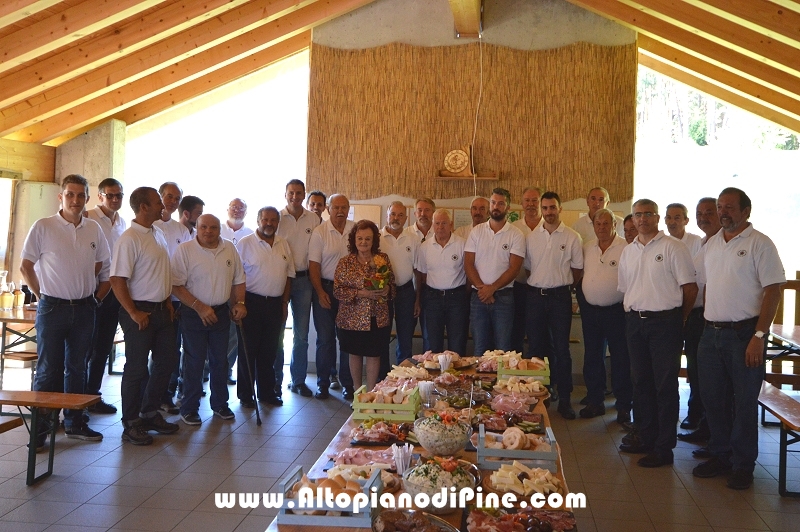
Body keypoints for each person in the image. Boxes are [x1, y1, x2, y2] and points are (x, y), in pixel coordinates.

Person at [692, 188, 785, 490]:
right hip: (711, 333)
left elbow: (774, 290)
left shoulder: (760, 244)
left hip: (746, 335)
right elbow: (706, 286)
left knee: (744, 403)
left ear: (746, 210)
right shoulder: (711, 245)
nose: (722, 212)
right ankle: (721, 454)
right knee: (713, 399)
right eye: (720, 207)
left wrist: (759, 335)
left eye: (729, 207)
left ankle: (743, 465)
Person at [20, 174, 110, 445]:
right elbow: (26, 266)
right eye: (70, 194)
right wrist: (41, 295)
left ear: (87, 199)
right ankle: (41, 429)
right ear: (61, 197)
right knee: (48, 369)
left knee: (78, 368)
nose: (75, 200)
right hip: (52, 308)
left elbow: (105, 268)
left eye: (80, 195)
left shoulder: (94, 228)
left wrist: (95, 298)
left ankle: (75, 423)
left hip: (85, 309)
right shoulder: (44, 226)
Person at [617, 199, 697, 468]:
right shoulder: (629, 251)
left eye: (647, 214)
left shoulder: (673, 247)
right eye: (637, 215)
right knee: (640, 383)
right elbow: (627, 289)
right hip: (635, 322)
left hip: (665, 323)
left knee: (664, 386)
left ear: (657, 217)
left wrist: (679, 319)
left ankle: (664, 447)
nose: (642, 219)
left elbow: (690, 288)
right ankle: (646, 437)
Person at [110, 187, 180, 445]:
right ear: (143, 207)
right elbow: (117, 279)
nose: (163, 204)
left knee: (167, 362)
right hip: (139, 311)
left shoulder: (157, 232)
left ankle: (149, 412)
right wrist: (133, 312)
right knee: (136, 369)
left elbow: (161, 272)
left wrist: (168, 301)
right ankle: (130, 424)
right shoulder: (130, 239)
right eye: (157, 201)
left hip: (162, 310)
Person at [171, 214, 246, 425]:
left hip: (221, 312)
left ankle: (220, 404)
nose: (208, 231)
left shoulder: (230, 249)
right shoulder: (185, 250)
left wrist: (239, 304)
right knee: (194, 361)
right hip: (193, 313)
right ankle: (189, 408)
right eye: (204, 227)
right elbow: (176, 285)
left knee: (220, 361)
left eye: (213, 228)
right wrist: (200, 307)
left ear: (219, 230)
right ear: (197, 227)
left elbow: (238, 280)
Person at [524, 191, 583, 419]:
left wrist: (558, 285)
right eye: (545, 208)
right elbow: (529, 268)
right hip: (536, 297)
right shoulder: (531, 237)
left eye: (552, 208)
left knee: (562, 349)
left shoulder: (572, 237)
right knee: (536, 349)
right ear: (541, 209)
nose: (549, 212)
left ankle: (565, 399)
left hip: (560, 297)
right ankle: (539, 397)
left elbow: (577, 271)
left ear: (560, 209)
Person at [576, 208, 632, 423]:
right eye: (598, 224)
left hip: (617, 312)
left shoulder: (625, 248)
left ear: (614, 225)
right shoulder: (588, 247)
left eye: (606, 224)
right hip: (591, 312)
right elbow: (579, 276)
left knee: (620, 359)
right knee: (592, 357)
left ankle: (624, 405)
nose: (602, 228)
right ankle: (595, 401)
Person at [237, 207, 294, 407]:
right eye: (265, 219)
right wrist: (239, 303)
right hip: (250, 303)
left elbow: (288, 277)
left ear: (278, 222)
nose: (269, 223)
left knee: (270, 350)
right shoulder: (245, 244)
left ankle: (267, 393)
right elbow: (237, 278)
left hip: (275, 304)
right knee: (248, 351)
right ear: (258, 220)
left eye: (273, 220)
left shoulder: (283, 244)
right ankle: (246, 395)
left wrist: (285, 303)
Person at [678, 198, 723, 447]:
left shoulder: (719, 243)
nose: (703, 217)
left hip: (707, 318)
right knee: (700, 375)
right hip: (698, 318)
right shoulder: (707, 243)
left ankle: (713, 435)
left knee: (711, 381)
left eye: (709, 212)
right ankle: (705, 428)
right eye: (700, 213)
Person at [334, 220, 395, 391]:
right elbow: (338, 291)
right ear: (353, 240)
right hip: (352, 318)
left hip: (378, 316)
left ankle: (371, 392)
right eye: (360, 238)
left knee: (374, 354)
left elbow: (392, 285)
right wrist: (361, 293)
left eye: (368, 239)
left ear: (374, 240)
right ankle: (356, 391)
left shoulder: (382, 259)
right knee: (355, 353)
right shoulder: (345, 262)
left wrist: (387, 290)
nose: (363, 243)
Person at [464, 187, 525, 356]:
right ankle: (480, 384)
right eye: (493, 202)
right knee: (480, 349)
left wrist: (493, 288)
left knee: (503, 350)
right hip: (478, 298)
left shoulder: (516, 234)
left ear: (508, 207)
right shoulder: (476, 232)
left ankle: (502, 383)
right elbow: (468, 263)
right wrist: (483, 288)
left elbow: (514, 268)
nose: (496, 206)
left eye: (500, 203)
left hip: (504, 299)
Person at [85, 177, 126, 414]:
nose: (114, 199)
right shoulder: (89, 218)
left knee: (102, 348)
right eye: (109, 195)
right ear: (99, 196)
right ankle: (75, 402)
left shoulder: (122, 223)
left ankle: (93, 396)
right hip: (90, 289)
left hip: (114, 290)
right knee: (84, 349)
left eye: (118, 195)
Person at [309, 194, 355, 400]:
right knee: (325, 340)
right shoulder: (320, 232)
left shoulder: (355, 230)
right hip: (326, 289)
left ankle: (348, 384)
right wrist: (319, 292)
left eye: (344, 207)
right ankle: (323, 384)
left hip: (349, 292)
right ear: (328, 209)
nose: (340, 211)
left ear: (348, 209)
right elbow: (314, 266)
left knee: (346, 340)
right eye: (336, 207)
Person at [277, 180, 320, 397]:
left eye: (299, 193)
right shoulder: (276, 217)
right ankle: (275, 381)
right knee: (277, 333)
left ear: (304, 195)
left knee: (301, 336)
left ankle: (298, 381)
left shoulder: (313, 218)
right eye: (291, 193)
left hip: (304, 281)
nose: (295, 196)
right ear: (285, 195)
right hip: (280, 279)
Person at [153, 182, 191, 413]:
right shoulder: (149, 226)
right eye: (168, 196)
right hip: (151, 296)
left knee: (171, 350)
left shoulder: (182, 230)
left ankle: (166, 394)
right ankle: (147, 398)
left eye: (176, 198)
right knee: (151, 353)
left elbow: (186, 264)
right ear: (160, 197)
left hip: (176, 298)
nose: (172, 202)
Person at [416, 209, 469, 355]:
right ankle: (434, 377)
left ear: (451, 224)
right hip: (432, 298)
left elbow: (468, 273)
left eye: (444, 223)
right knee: (432, 344)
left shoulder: (462, 244)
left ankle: (456, 377)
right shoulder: (424, 247)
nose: (440, 227)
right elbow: (422, 275)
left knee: (457, 342)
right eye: (437, 223)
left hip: (456, 298)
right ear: (433, 225)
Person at [380, 201, 419, 370]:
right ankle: (382, 375)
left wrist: (418, 299)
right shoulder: (377, 238)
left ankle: (404, 377)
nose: (396, 218)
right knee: (382, 334)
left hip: (406, 291)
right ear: (387, 215)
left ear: (406, 218)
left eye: (400, 215)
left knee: (405, 336)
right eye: (393, 214)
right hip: (382, 294)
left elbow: (418, 271)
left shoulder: (413, 239)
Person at [219, 198, 254, 386]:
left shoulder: (250, 234)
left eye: (241, 208)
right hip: (219, 287)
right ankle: (209, 369)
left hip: (240, 288)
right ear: (227, 209)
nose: (237, 210)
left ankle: (227, 369)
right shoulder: (218, 229)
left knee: (234, 333)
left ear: (246, 212)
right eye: (234, 207)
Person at [511, 187, 544, 354]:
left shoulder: (549, 227)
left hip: (540, 291)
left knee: (538, 336)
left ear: (541, 202)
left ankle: (539, 376)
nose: (531, 204)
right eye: (527, 201)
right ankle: (514, 376)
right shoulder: (514, 228)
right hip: (518, 288)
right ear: (522, 204)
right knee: (515, 332)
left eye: (534, 200)